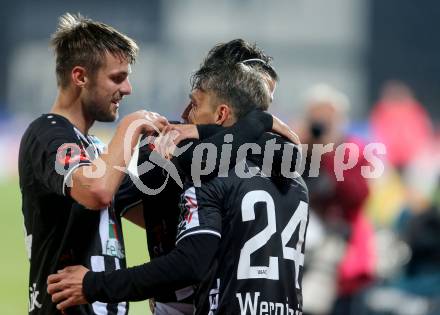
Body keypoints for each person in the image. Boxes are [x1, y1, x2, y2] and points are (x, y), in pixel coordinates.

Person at [47, 61, 309, 314]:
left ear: (222, 113)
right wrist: (259, 124)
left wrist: (94, 284)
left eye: (195, 104)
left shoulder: (207, 175)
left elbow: (189, 263)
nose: (185, 115)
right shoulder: (295, 181)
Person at [117, 38, 295, 315]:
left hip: (232, 301)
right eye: (254, 100)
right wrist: (260, 123)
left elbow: (292, 158)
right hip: (180, 304)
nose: (257, 110)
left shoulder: (262, 146)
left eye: (264, 104)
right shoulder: (170, 141)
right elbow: (129, 197)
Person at [19, 13, 167, 314]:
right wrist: (130, 126)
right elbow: (96, 191)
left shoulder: (95, 148)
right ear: (80, 77)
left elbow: (150, 217)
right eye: (117, 78)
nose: (127, 90)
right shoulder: (47, 133)